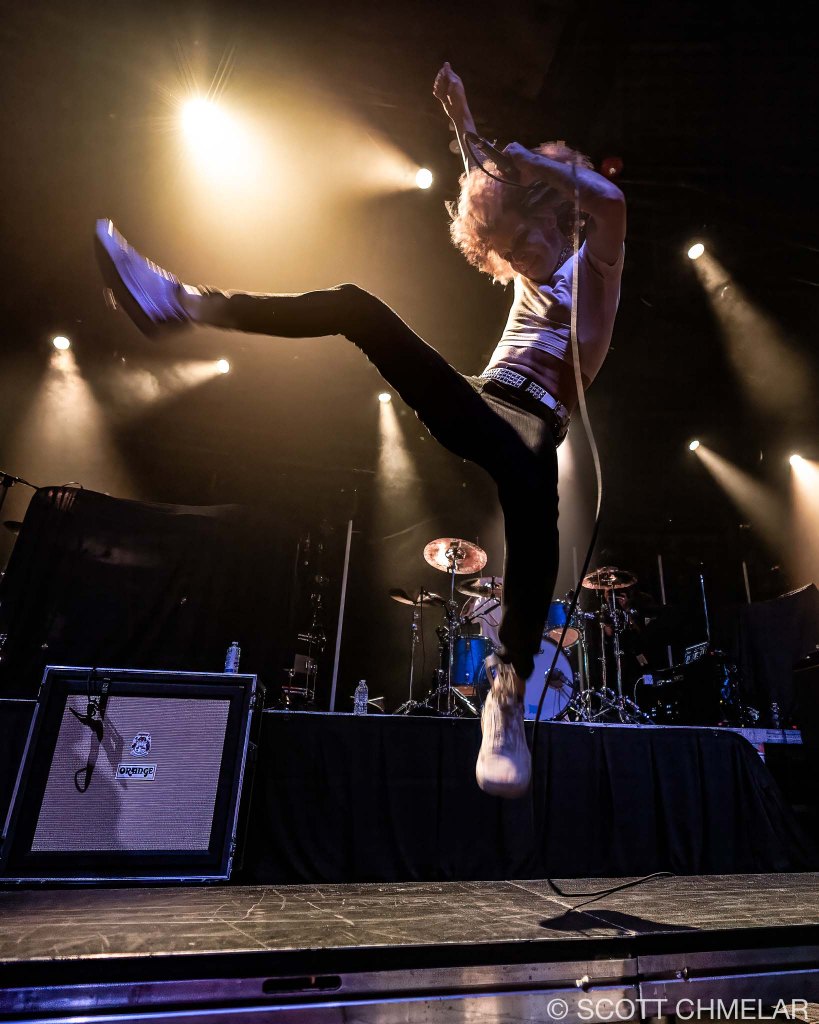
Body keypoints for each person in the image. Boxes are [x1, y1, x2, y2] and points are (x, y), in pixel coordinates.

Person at [94, 63, 625, 799]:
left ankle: (507, 695)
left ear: (553, 214)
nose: (515, 260)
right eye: (504, 249)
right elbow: (488, 178)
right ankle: (179, 303)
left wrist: (522, 161)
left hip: (537, 421)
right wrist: (461, 122)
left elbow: (608, 198)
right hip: (481, 399)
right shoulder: (524, 249)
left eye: (523, 244)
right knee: (355, 305)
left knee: (534, 500)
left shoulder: (598, 263)